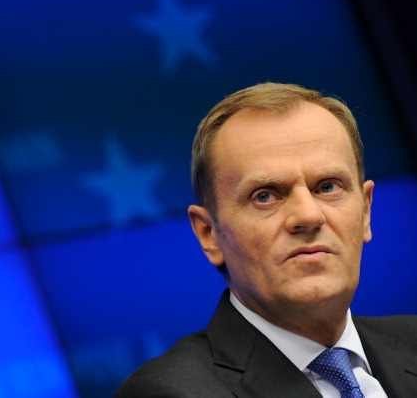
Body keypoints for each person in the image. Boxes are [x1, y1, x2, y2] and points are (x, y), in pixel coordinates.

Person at [115, 83, 417, 397]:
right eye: (265, 196)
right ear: (209, 234)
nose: (308, 216)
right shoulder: (166, 392)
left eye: (328, 187)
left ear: (366, 211)